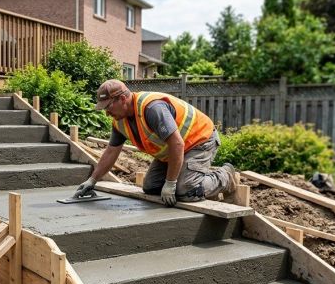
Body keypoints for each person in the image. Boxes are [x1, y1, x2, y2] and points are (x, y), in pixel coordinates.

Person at [75, 79, 237, 206]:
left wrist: (171, 183)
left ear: (123, 98)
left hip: (199, 140)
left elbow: (177, 144)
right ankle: (193, 178)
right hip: (173, 150)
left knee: (185, 191)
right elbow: (111, 151)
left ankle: (225, 176)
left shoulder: (152, 108)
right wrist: (92, 180)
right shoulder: (119, 121)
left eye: (108, 106)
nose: (107, 112)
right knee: (151, 188)